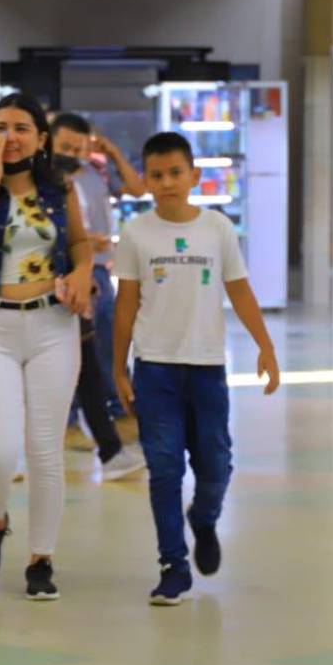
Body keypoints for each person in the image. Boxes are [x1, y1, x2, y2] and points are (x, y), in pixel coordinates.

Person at [112, 131, 279, 606]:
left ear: (194, 176)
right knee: (163, 468)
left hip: (206, 368)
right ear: (145, 180)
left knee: (215, 466)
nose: (167, 182)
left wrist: (265, 346)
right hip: (155, 369)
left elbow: (240, 290)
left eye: (175, 173)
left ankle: (203, 520)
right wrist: (119, 369)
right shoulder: (138, 232)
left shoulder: (217, 228)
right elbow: (126, 304)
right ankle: (173, 565)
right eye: (157, 175)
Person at [0, 93, 94, 602]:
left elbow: (79, 241)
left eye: (22, 128)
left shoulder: (60, 187)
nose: (10, 136)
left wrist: (82, 272)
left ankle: (41, 558)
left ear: (41, 139)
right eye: (0, 126)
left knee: (45, 449)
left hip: (53, 325)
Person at [48, 113, 146, 481]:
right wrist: (85, 243)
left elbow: (137, 189)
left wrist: (113, 152)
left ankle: (113, 419)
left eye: (80, 147)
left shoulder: (95, 172)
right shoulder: (48, 179)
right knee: (80, 348)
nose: (74, 154)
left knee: (102, 342)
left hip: (100, 270)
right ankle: (78, 423)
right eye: (65, 147)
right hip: (71, 273)